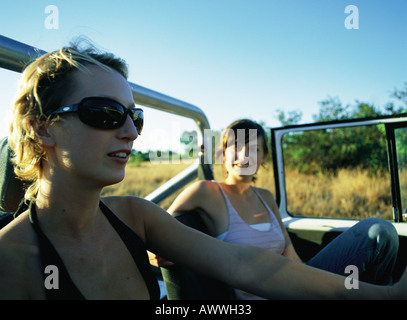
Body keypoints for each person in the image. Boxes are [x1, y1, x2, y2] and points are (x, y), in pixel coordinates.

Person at [0, 42, 406, 300]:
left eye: (135, 117)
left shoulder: (135, 216)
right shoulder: (10, 260)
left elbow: (246, 264)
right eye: (105, 114)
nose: (130, 133)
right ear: (41, 127)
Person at [151, 119, 400, 299]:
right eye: (235, 146)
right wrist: (156, 252)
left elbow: (291, 255)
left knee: (379, 232)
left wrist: (323, 282)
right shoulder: (205, 191)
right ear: (222, 153)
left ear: (263, 158)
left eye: (254, 149)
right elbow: (156, 227)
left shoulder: (266, 197)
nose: (244, 155)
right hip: (259, 294)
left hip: (296, 283)